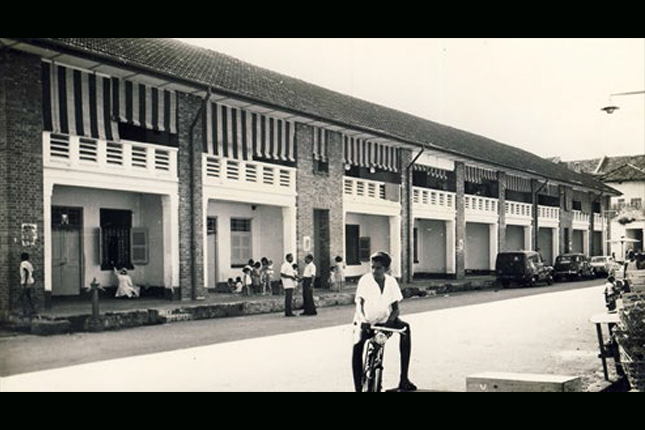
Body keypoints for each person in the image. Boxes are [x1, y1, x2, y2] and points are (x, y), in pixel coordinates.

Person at [351, 251, 417, 392]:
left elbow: (396, 309)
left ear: (386, 269)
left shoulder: (391, 282)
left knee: (406, 329)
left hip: (385, 321)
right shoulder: (365, 280)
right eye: (372, 267)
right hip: (366, 321)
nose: (375, 271)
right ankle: (357, 387)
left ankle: (404, 378)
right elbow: (359, 304)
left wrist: (388, 325)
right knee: (357, 345)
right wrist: (363, 320)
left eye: (378, 268)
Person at [18, 252, 37, 318]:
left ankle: (25, 312)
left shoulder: (23, 263)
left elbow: (26, 272)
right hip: (30, 282)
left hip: (25, 283)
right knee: (28, 296)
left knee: (22, 297)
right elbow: (32, 272)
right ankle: (33, 309)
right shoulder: (29, 264)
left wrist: (25, 282)